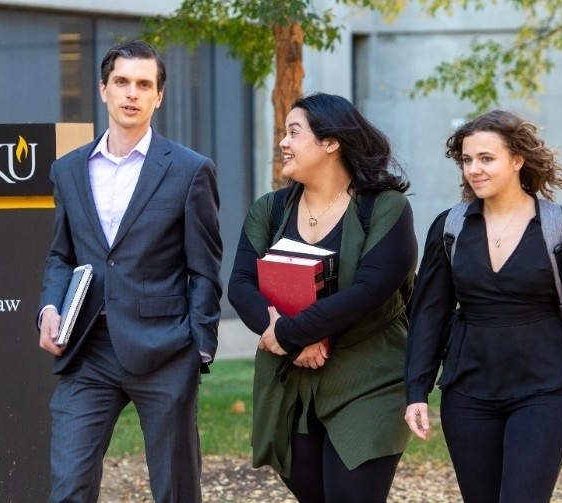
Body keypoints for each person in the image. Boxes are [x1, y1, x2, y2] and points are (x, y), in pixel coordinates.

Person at [36, 40, 223, 503]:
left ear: (159, 96)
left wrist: (198, 347)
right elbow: (62, 254)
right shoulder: (69, 170)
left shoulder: (190, 170)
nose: (131, 93)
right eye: (122, 82)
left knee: (176, 491)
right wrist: (48, 308)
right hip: (87, 350)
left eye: (144, 84)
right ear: (103, 89)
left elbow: (204, 267)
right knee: (69, 486)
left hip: (164, 351)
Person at [404, 109, 562, 503]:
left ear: (517, 160)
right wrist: (416, 390)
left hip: (544, 391)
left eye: (486, 159)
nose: (473, 170)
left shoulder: (558, 225)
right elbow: (429, 313)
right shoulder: (451, 227)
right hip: (468, 392)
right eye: (466, 160)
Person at [228, 92, 417, 502]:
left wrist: (291, 332)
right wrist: (288, 338)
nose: (283, 141)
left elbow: (369, 291)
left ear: (331, 142)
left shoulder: (385, 208)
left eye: (294, 132)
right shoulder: (271, 209)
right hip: (291, 381)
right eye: (284, 132)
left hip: (369, 375)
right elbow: (241, 284)